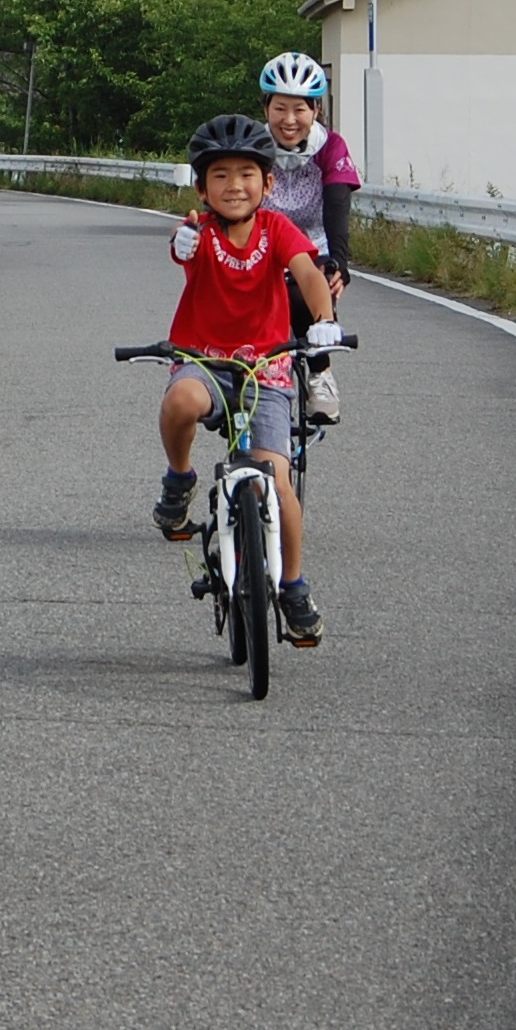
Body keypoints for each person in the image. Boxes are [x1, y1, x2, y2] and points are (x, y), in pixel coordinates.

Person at [154, 113, 342, 639]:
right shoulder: (199, 233)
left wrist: (324, 321)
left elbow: (308, 274)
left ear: (268, 183)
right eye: (220, 175)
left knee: (279, 483)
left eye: (246, 174)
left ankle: (294, 585)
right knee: (180, 402)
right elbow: (180, 244)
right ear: (201, 186)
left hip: (268, 367)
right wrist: (181, 241)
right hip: (206, 360)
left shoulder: (277, 229)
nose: (233, 186)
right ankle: (179, 479)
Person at [257, 51, 360, 427]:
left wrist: (340, 265)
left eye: (299, 109)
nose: (289, 120)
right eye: (280, 108)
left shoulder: (330, 147)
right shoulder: (254, 144)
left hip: (313, 244)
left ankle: (320, 375)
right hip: (262, 243)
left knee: (307, 295)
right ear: (265, 106)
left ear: (315, 110)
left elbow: (337, 203)